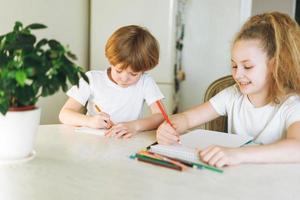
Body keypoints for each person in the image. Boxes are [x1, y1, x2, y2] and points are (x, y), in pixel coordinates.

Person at [156, 11, 300, 167]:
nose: (238, 74)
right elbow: (188, 118)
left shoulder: (292, 105)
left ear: (275, 65)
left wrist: (237, 155)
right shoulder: (232, 95)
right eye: (234, 65)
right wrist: (170, 128)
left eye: (247, 66)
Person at [59, 25, 165, 138]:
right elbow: (64, 114)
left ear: (144, 70)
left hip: (126, 143)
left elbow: (161, 116)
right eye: (119, 71)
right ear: (110, 60)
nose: (124, 79)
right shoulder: (91, 79)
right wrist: (89, 121)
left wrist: (134, 126)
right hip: (93, 144)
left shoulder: (145, 82)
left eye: (134, 74)